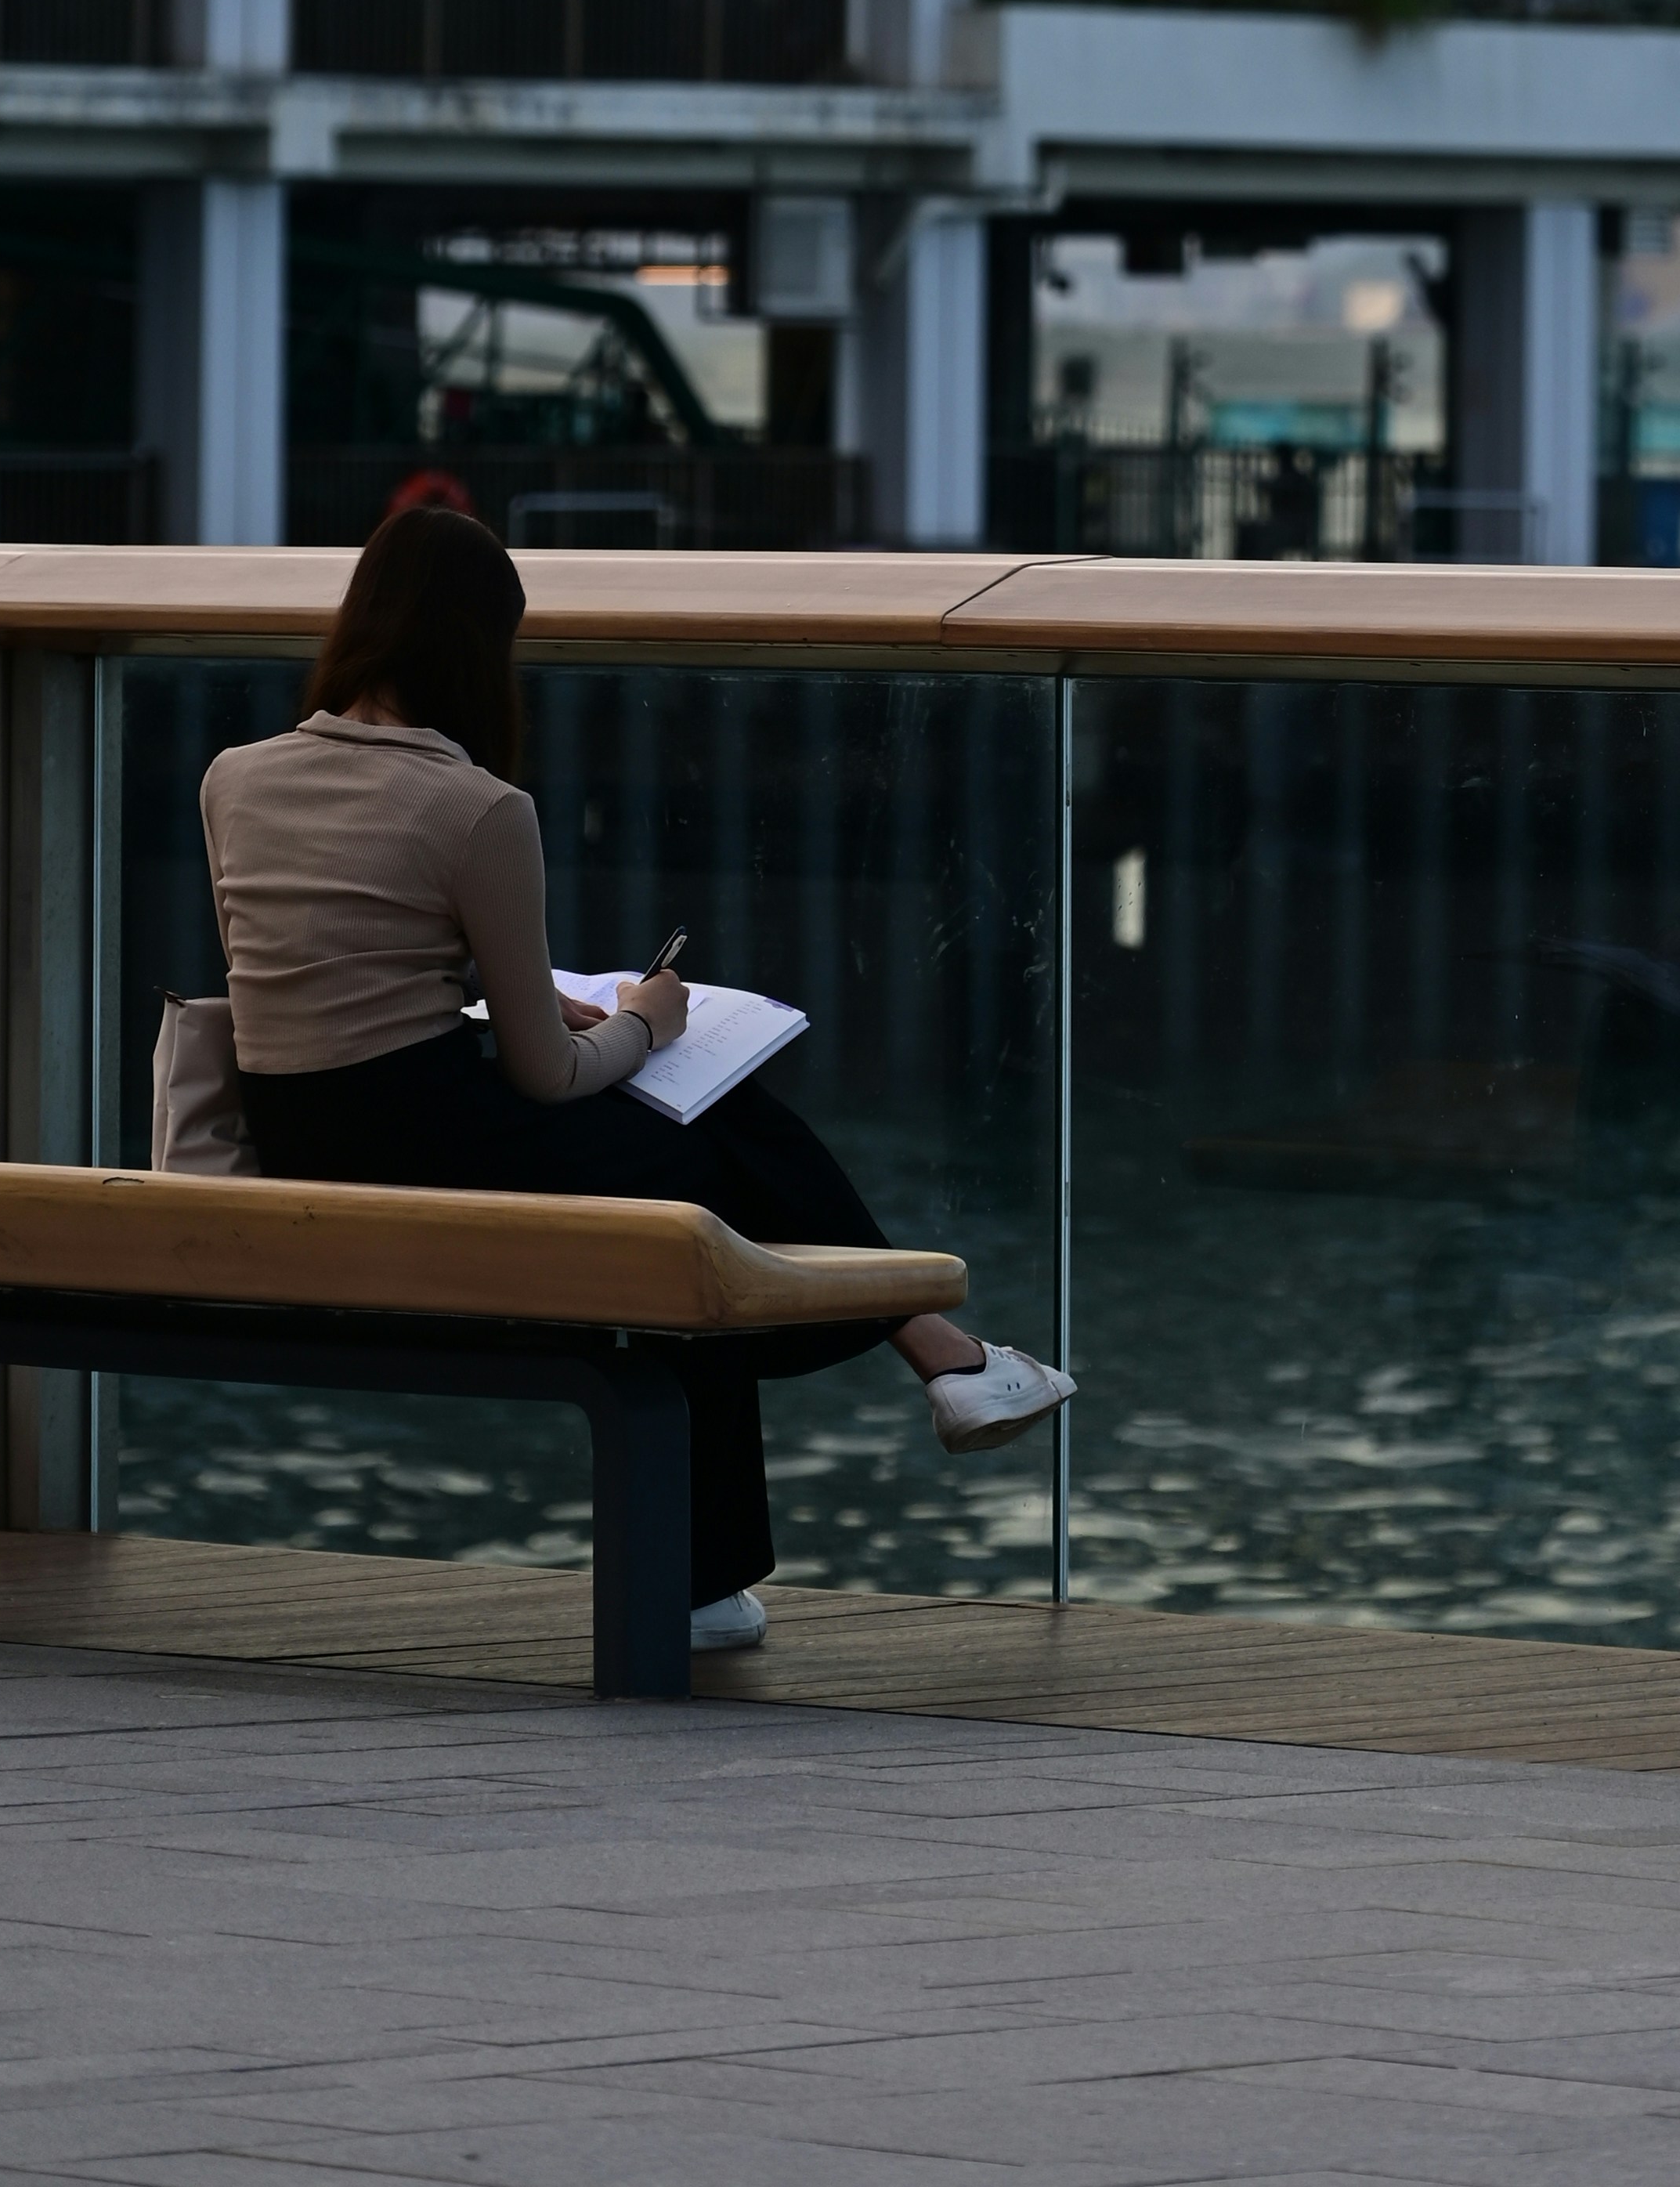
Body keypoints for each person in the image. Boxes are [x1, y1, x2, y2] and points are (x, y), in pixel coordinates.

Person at [201, 506, 1070, 1654]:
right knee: (699, 1168)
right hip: (430, 1145)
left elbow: (328, 962)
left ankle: (931, 1368)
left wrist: (493, 987)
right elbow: (547, 1073)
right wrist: (651, 1023)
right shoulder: (476, 807)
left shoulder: (237, 777)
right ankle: (916, 1373)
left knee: (691, 1182)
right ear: (483, 650)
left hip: (298, 1136)